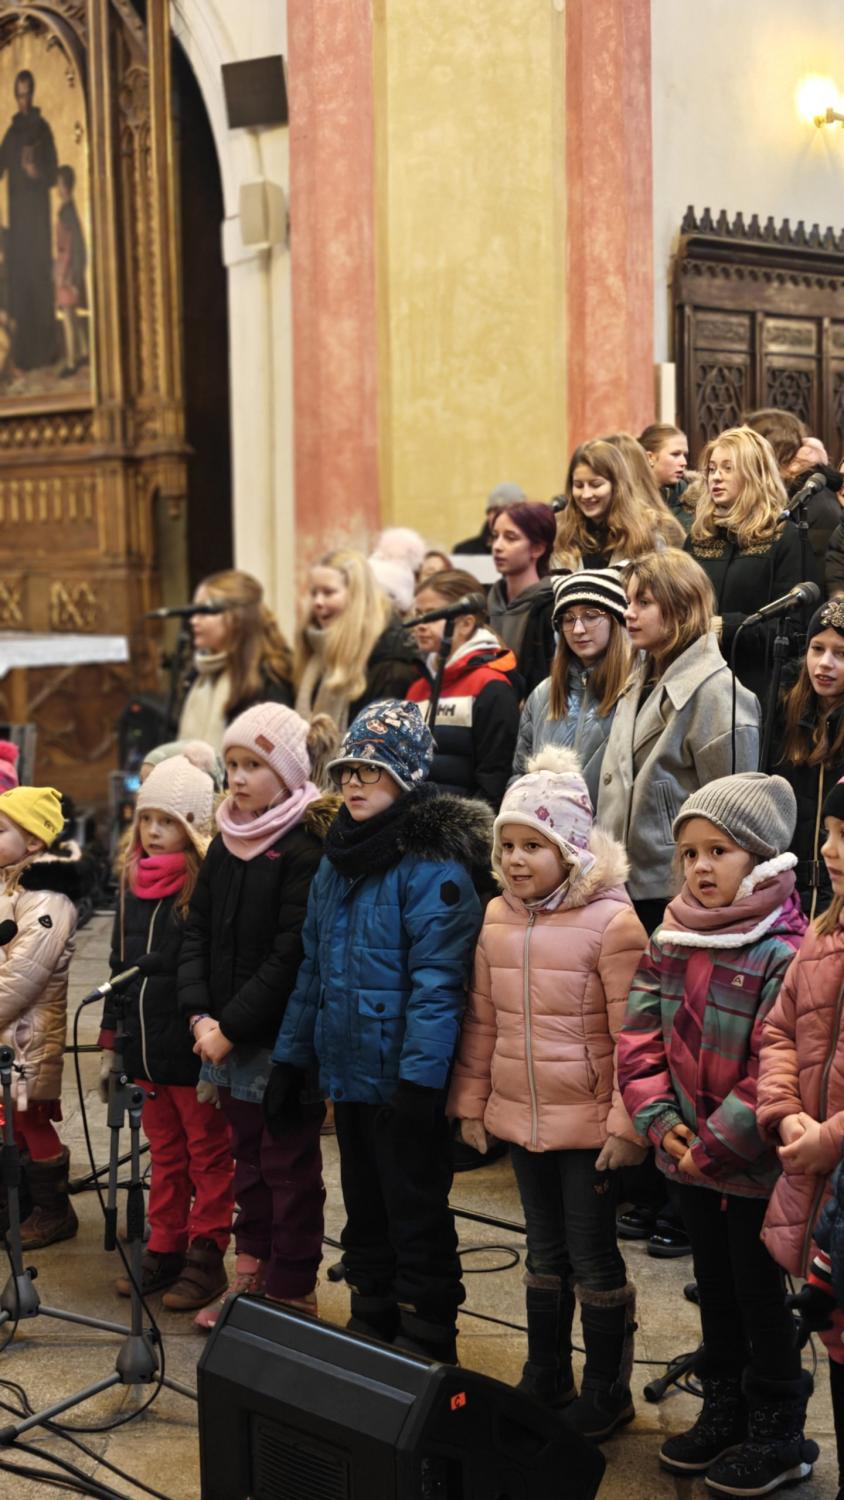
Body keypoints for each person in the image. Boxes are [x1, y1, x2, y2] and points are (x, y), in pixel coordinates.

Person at [266, 700, 490, 1362]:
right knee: (363, 1203)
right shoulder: (337, 860)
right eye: (347, 771)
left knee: (413, 1208)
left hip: (402, 1081)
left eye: (372, 770)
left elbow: (438, 988)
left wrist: (420, 1083)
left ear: (408, 777)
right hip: (349, 1071)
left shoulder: (434, 869)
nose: (354, 783)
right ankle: (372, 1308)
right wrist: (291, 1060)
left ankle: (427, 1329)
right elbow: (314, 969)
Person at [618, 774, 813, 1495]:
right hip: (685, 1158)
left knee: (759, 1295)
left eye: (719, 851)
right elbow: (638, 1037)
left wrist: (716, 1145)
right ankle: (725, 1405)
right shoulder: (672, 935)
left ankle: (779, 1430)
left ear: (760, 860)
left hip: (751, 1168)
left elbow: (775, 1065)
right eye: (689, 853)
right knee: (714, 1287)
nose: (700, 867)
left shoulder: (782, 951)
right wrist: (660, 1122)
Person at [449, 746, 647, 1440]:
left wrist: (628, 1122)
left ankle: (607, 1388)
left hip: (590, 1127)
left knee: (591, 1252)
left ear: (569, 849)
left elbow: (635, 1037)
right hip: (521, 1117)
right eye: (506, 846)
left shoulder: (613, 924)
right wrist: (471, 1103)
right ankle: (547, 1371)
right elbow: (482, 1020)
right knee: (542, 1250)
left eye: (533, 845)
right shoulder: (497, 918)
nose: (515, 859)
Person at [179, 703, 339, 1328]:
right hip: (222, 1037)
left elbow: (290, 952)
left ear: (289, 775)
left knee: (287, 1168)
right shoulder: (225, 843)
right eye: (232, 764)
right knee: (246, 1162)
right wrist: (199, 1014)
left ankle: (292, 1290)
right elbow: (196, 932)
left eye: (253, 765)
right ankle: (249, 1274)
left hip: (278, 1043)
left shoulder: (304, 849)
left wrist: (231, 1027)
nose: (238, 778)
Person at [101, 754, 235, 1309]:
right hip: (144, 1051)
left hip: (188, 1049)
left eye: (168, 822)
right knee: (164, 1153)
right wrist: (111, 1042)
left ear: (194, 827)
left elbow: (210, 972)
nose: (154, 832)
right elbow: (119, 964)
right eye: (146, 820)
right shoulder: (130, 885)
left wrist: (212, 1053)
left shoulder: (202, 886)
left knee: (208, 1154)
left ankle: (207, 1251)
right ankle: (165, 1244)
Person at [596, 549, 760, 935]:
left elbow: (732, 817)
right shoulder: (639, 676)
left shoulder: (718, 693)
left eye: (644, 602)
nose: (629, 613)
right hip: (622, 883)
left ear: (682, 609)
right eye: (629, 601)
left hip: (678, 891)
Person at [757, 774, 844, 1497]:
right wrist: (785, 1111)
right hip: (817, 1186)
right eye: (832, 832)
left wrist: (831, 1139)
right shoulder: (823, 933)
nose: (830, 849)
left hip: (832, 1162)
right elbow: (779, 1029)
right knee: (837, 1339)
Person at [0, 786, 90, 1249]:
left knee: (31, 1121)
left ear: (34, 841)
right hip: (7, 1036)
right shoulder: (9, 884)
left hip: (26, 1036)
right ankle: (15, 1204)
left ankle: (54, 1212)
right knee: (8, 1121)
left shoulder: (47, 896)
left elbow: (23, 975)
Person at [685, 426, 803, 705]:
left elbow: (793, 630)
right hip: (696, 681)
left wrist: (726, 627)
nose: (716, 477)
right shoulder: (699, 536)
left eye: (728, 468)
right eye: (712, 469)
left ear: (754, 474)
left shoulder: (783, 537)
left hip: (754, 687)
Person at [512, 569, 631, 806]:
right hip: (547, 826)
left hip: (610, 828)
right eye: (568, 619)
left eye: (591, 616)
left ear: (616, 619)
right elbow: (520, 776)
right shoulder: (542, 695)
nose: (578, 629)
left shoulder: (635, 691)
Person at [406, 568, 519, 807]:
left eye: (432, 615)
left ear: (466, 624)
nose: (421, 625)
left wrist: (461, 828)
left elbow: (493, 779)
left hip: (464, 825)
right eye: (418, 614)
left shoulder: (491, 686)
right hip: (415, 821)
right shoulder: (417, 687)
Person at [295, 548, 420, 734]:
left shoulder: (390, 664)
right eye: (314, 593)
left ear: (357, 598)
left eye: (328, 592)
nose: (318, 602)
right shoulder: (316, 654)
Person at [776, 599, 844, 918]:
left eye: (840, 653)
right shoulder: (784, 713)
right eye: (817, 649)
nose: (825, 663)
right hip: (790, 901)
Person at [178, 570, 295, 751]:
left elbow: (273, 751)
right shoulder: (198, 675)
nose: (193, 620)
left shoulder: (270, 677)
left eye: (204, 611)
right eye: (194, 611)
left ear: (237, 617)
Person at [0, 70, 58, 372]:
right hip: (19, 225)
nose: (24, 101)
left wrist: (37, 172)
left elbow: (54, 173)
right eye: (19, 95)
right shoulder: (11, 135)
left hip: (38, 224)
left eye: (27, 94)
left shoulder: (43, 130)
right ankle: (23, 354)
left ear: (33, 94)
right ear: (15, 96)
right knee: (20, 280)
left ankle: (46, 352)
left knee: (39, 278)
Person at [555, 438, 683, 574]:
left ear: (617, 486)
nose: (586, 494)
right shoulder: (560, 531)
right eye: (578, 485)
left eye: (596, 485)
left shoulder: (648, 531)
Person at [744, 408, 842, 583]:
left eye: (744, 445)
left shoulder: (817, 502)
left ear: (769, 450)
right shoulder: (775, 494)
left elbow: (817, 578)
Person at [488, 500, 557, 694]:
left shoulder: (550, 607)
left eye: (510, 538)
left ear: (537, 549)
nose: (497, 546)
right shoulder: (486, 602)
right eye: (495, 536)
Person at [54, 164, 88, 378]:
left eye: (59, 184)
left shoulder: (67, 212)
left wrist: (67, 276)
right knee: (72, 313)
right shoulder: (69, 209)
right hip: (67, 268)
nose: (57, 188)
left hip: (67, 270)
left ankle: (71, 361)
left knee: (68, 314)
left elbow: (73, 247)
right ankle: (84, 351)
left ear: (65, 186)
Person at [638, 424, 692, 530]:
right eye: (675, 454)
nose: (684, 462)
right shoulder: (629, 503)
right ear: (650, 457)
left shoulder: (696, 501)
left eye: (685, 455)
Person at [453, 481, 525, 555]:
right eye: (496, 510)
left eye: (509, 510)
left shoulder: (529, 550)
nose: (501, 516)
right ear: (488, 515)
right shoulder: (465, 552)